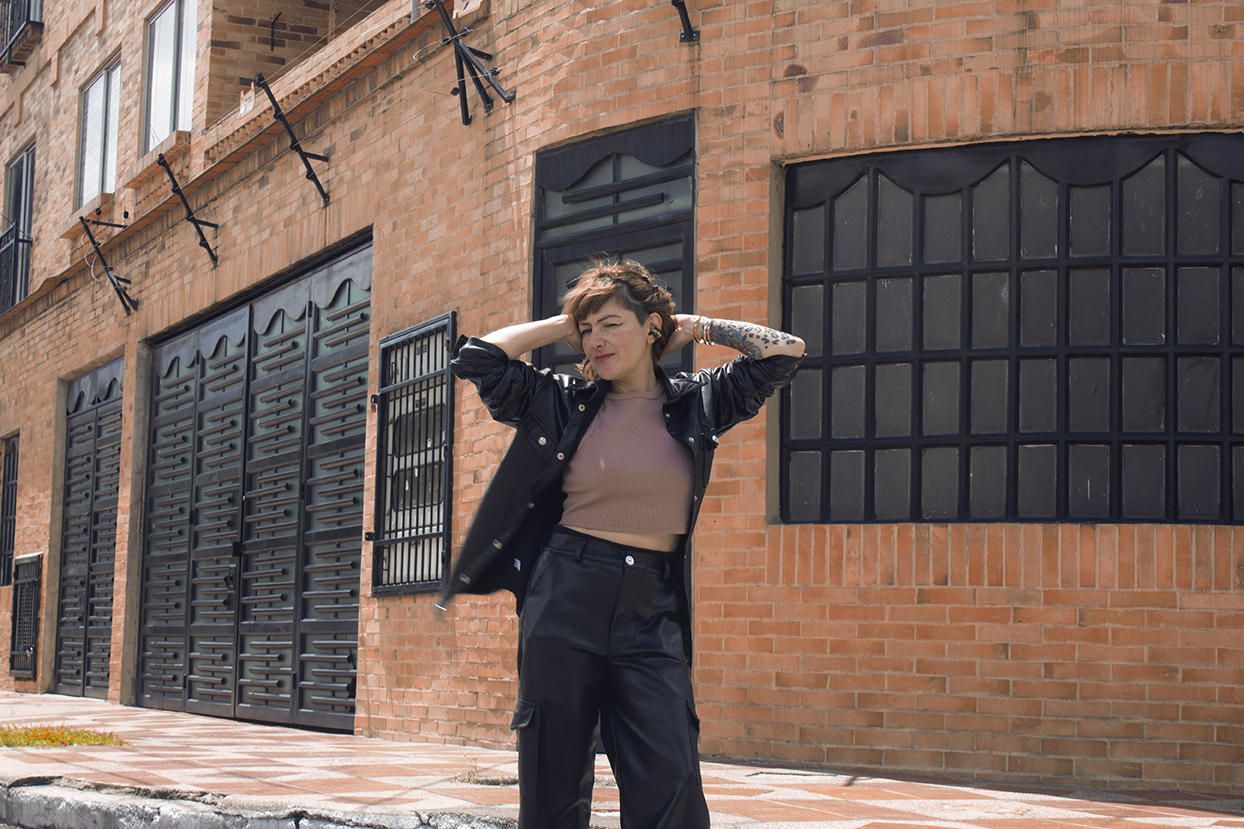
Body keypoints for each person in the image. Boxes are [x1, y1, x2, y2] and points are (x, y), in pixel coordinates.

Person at [442, 260, 804, 828]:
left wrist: (698, 327)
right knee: (553, 778)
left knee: (672, 781)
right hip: (566, 593)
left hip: (653, 608)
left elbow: (785, 351)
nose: (596, 340)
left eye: (611, 324)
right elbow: (479, 357)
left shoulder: (699, 400)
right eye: (587, 330)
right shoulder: (564, 402)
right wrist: (562, 325)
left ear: (652, 327)